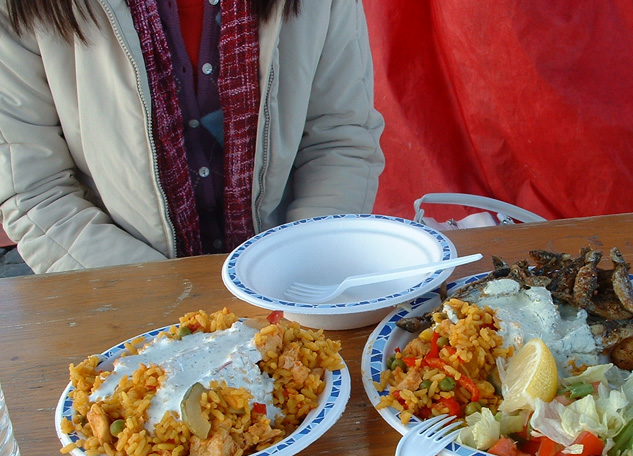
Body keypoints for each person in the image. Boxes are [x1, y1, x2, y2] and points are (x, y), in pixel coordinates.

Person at [0, 0, 385, 273]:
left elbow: (339, 140)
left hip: (286, 279)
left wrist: (301, 269)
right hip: (123, 292)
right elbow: (35, 192)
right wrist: (161, 297)